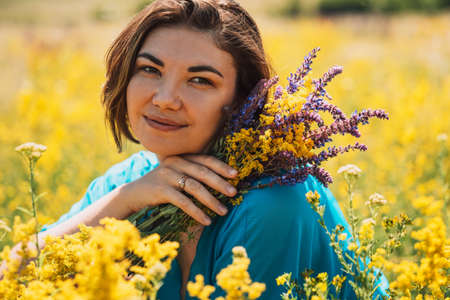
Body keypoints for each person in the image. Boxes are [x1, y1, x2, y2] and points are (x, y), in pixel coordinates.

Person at [3, 0, 389, 299]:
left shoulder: (273, 203)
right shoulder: (129, 183)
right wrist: (121, 202)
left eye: (200, 80)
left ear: (243, 100)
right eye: (150, 70)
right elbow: (12, 280)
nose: (166, 98)